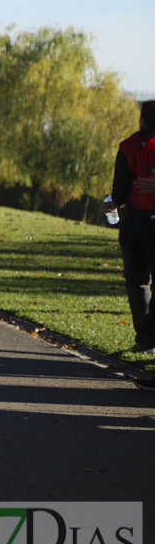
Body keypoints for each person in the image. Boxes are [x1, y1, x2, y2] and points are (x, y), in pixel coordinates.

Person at [110, 101, 155, 364]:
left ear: (143, 121)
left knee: (138, 280)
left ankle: (146, 338)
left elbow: (118, 194)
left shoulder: (128, 147)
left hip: (136, 223)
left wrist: (111, 204)